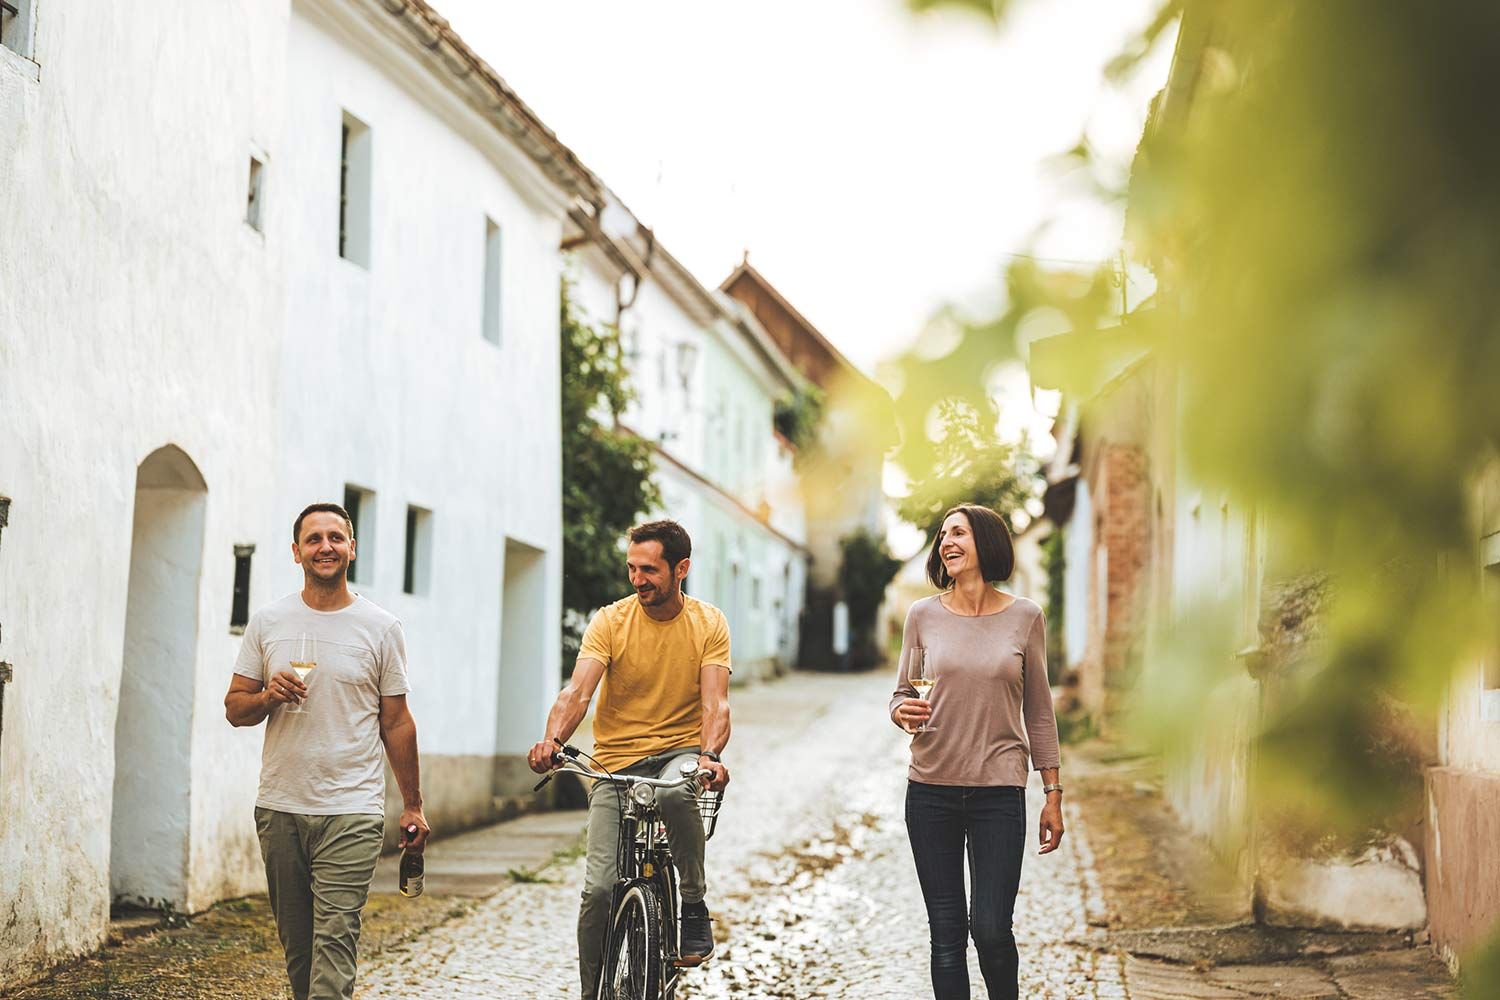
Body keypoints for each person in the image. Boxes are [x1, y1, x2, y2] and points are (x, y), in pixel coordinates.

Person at [225, 502, 429, 1000]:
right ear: (296, 552)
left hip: (351, 809)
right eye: (313, 539)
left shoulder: (380, 627)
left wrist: (414, 804)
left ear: (352, 549)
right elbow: (235, 708)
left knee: (335, 940)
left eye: (336, 537)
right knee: (299, 947)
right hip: (280, 805)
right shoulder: (269, 621)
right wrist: (268, 695)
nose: (325, 547)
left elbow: (396, 722)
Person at [527, 518, 731, 1000]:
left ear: (681, 568)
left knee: (682, 789)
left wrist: (709, 755)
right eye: (632, 568)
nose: (637, 579)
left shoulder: (708, 623)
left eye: (649, 570)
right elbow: (578, 691)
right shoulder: (611, 621)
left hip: (679, 752)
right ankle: (591, 991)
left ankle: (693, 902)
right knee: (597, 890)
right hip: (614, 763)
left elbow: (715, 703)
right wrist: (552, 739)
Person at [889, 503, 1064, 1000]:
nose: (947, 542)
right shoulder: (922, 615)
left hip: (998, 794)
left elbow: (1040, 710)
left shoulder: (1025, 617)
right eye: (943, 534)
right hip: (930, 791)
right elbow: (902, 693)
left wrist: (1052, 792)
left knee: (991, 929)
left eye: (959, 533)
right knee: (946, 937)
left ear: (985, 543)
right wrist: (902, 712)